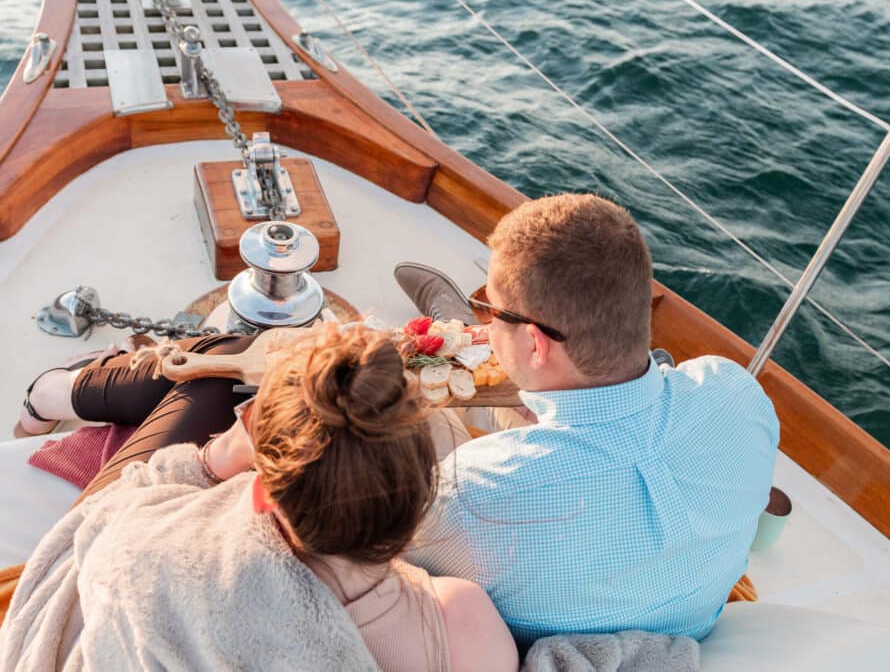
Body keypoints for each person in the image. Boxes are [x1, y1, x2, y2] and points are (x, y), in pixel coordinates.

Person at [1, 325, 518, 671]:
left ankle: (53, 392)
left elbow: (93, 528)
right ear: (415, 513)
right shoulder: (466, 625)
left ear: (262, 493)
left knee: (218, 364)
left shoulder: (143, 548)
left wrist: (213, 458)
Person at [396, 194, 780, 648]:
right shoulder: (737, 395)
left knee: (426, 428)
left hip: (523, 626)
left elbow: (387, 558)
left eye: (492, 313)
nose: (490, 321)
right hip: (684, 618)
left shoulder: (470, 491)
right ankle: (463, 330)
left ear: (536, 345)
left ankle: (452, 330)